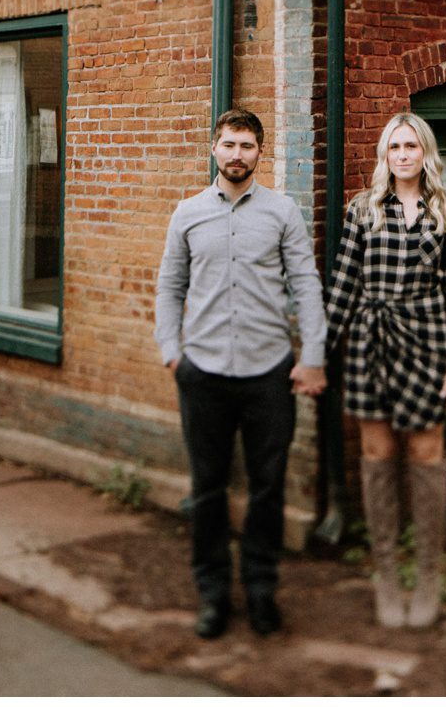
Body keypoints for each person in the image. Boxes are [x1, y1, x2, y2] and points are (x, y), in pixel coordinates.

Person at [156, 108, 327, 640]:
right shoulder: (186, 214)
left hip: (267, 375)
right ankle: (212, 594)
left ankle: (259, 591)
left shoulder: (283, 213)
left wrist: (314, 356)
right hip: (202, 373)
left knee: (268, 489)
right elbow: (169, 287)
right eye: (228, 144)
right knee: (207, 490)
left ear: (260, 152)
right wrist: (171, 351)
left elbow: (307, 284)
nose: (237, 154)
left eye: (247, 146)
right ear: (214, 149)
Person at [324, 111, 446, 629]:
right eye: (395, 147)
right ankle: (387, 575)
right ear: (385, 156)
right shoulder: (362, 210)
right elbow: (343, 286)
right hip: (372, 343)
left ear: (425, 152)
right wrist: (319, 353)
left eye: (412, 145)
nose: (404, 154)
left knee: (426, 454)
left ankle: (429, 575)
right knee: (377, 453)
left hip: (429, 343)